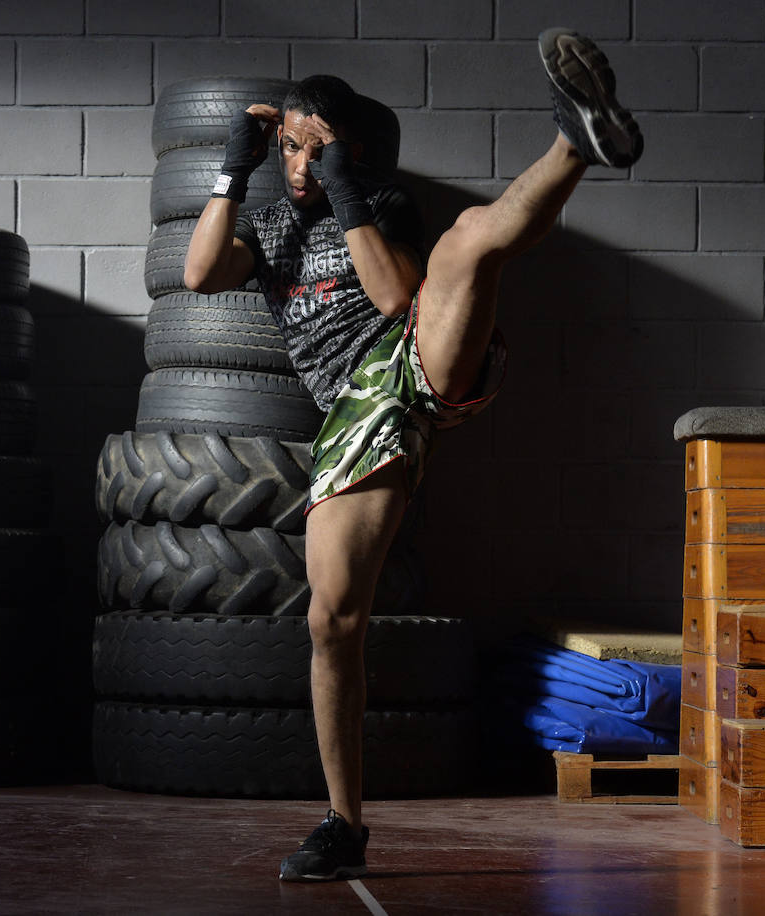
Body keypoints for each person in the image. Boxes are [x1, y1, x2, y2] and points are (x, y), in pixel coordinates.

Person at [182, 28, 644, 882]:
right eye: (288, 145)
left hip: (413, 357)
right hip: (351, 420)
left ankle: (574, 142)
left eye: (313, 145)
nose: (298, 161)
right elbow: (200, 273)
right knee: (331, 623)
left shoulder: (378, 201)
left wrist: (340, 180)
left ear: (347, 149)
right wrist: (233, 168)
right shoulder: (274, 230)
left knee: (468, 238)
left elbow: (397, 295)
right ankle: (344, 825)